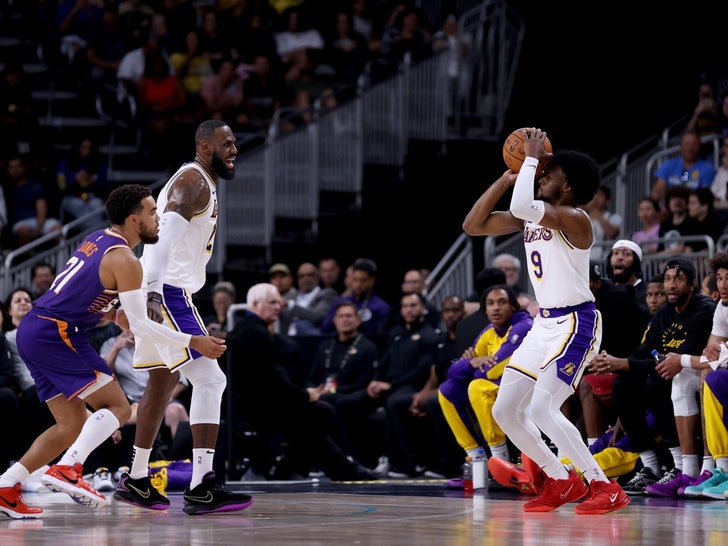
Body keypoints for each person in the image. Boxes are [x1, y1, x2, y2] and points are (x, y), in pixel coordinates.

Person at [0, 184, 227, 520]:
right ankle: (68, 468)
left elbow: (83, 290)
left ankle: (7, 486)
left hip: (36, 329)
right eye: (152, 212)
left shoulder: (99, 238)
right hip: (55, 333)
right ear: (133, 219)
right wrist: (195, 341)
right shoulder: (126, 260)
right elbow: (143, 326)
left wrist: (108, 312)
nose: (159, 217)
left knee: (71, 423)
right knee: (118, 406)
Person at [461, 127, 630, 514]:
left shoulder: (575, 219)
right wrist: (507, 177)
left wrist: (532, 156)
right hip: (545, 325)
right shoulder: (533, 217)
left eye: (548, 175)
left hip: (577, 322)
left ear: (566, 185)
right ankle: (560, 479)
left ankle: (604, 487)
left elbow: (523, 206)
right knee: (505, 411)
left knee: (542, 409)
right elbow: (472, 225)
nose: (540, 176)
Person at [112, 121, 254, 516]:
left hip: (160, 287)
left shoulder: (200, 181)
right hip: (167, 290)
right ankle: (203, 485)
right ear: (205, 145)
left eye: (235, 143)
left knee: (162, 380)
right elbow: (160, 243)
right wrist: (153, 294)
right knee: (211, 377)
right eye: (227, 144)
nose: (234, 150)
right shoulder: (192, 184)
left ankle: (137, 478)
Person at [226, 283, 378, 481]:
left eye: (279, 303)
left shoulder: (247, 329)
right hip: (259, 406)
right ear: (255, 303)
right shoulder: (255, 333)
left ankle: (297, 468)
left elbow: (272, 379)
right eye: (272, 303)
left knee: (315, 415)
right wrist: (304, 394)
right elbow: (271, 381)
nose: (278, 307)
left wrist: (300, 394)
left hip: (257, 402)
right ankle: (330, 467)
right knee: (319, 413)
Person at [591, 258, 715, 496]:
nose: (671, 285)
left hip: (695, 371)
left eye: (678, 279)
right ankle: (650, 465)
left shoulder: (704, 310)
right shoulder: (665, 315)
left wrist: (626, 363)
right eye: (667, 279)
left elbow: (677, 361)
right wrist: (612, 363)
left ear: (693, 284)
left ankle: (680, 466)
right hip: (668, 374)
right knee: (623, 385)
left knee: (657, 381)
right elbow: (644, 352)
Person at [439, 285, 533, 489]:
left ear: (513, 306)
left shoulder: (523, 325)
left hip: (526, 389)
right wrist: (474, 363)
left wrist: (476, 364)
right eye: (490, 304)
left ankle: (500, 460)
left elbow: (492, 370)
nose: (496, 308)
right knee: (447, 390)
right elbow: (454, 371)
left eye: (502, 302)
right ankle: (477, 460)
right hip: (499, 389)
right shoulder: (489, 332)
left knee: (477, 386)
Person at [321, 258, 391, 336]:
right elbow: (325, 329)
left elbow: (380, 337)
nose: (358, 285)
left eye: (363, 281)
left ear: (372, 280)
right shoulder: (340, 303)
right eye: (355, 280)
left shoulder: (381, 307)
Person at [651, 128, 717, 209]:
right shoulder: (669, 165)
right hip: (669, 211)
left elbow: (704, 197)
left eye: (694, 144)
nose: (690, 148)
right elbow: (658, 192)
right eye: (687, 144)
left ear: (699, 147)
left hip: (694, 212)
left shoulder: (707, 168)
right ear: (681, 147)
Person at [279, 262, 338, 336]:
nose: (305, 278)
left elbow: (318, 316)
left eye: (310, 275)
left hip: (312, 340)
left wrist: (290, 305)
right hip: (289, 339)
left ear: (317, 277)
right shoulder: (291, 296)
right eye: (301, 276)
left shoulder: (327, 294)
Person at [584, 185, 622, 261]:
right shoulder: (584, 218)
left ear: (607, 200)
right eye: (594, 194)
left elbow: (611, 234)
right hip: (586, 260)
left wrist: (596, 212)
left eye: (600, 195)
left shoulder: (613, 217)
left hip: (605, 259)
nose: (596, 197)